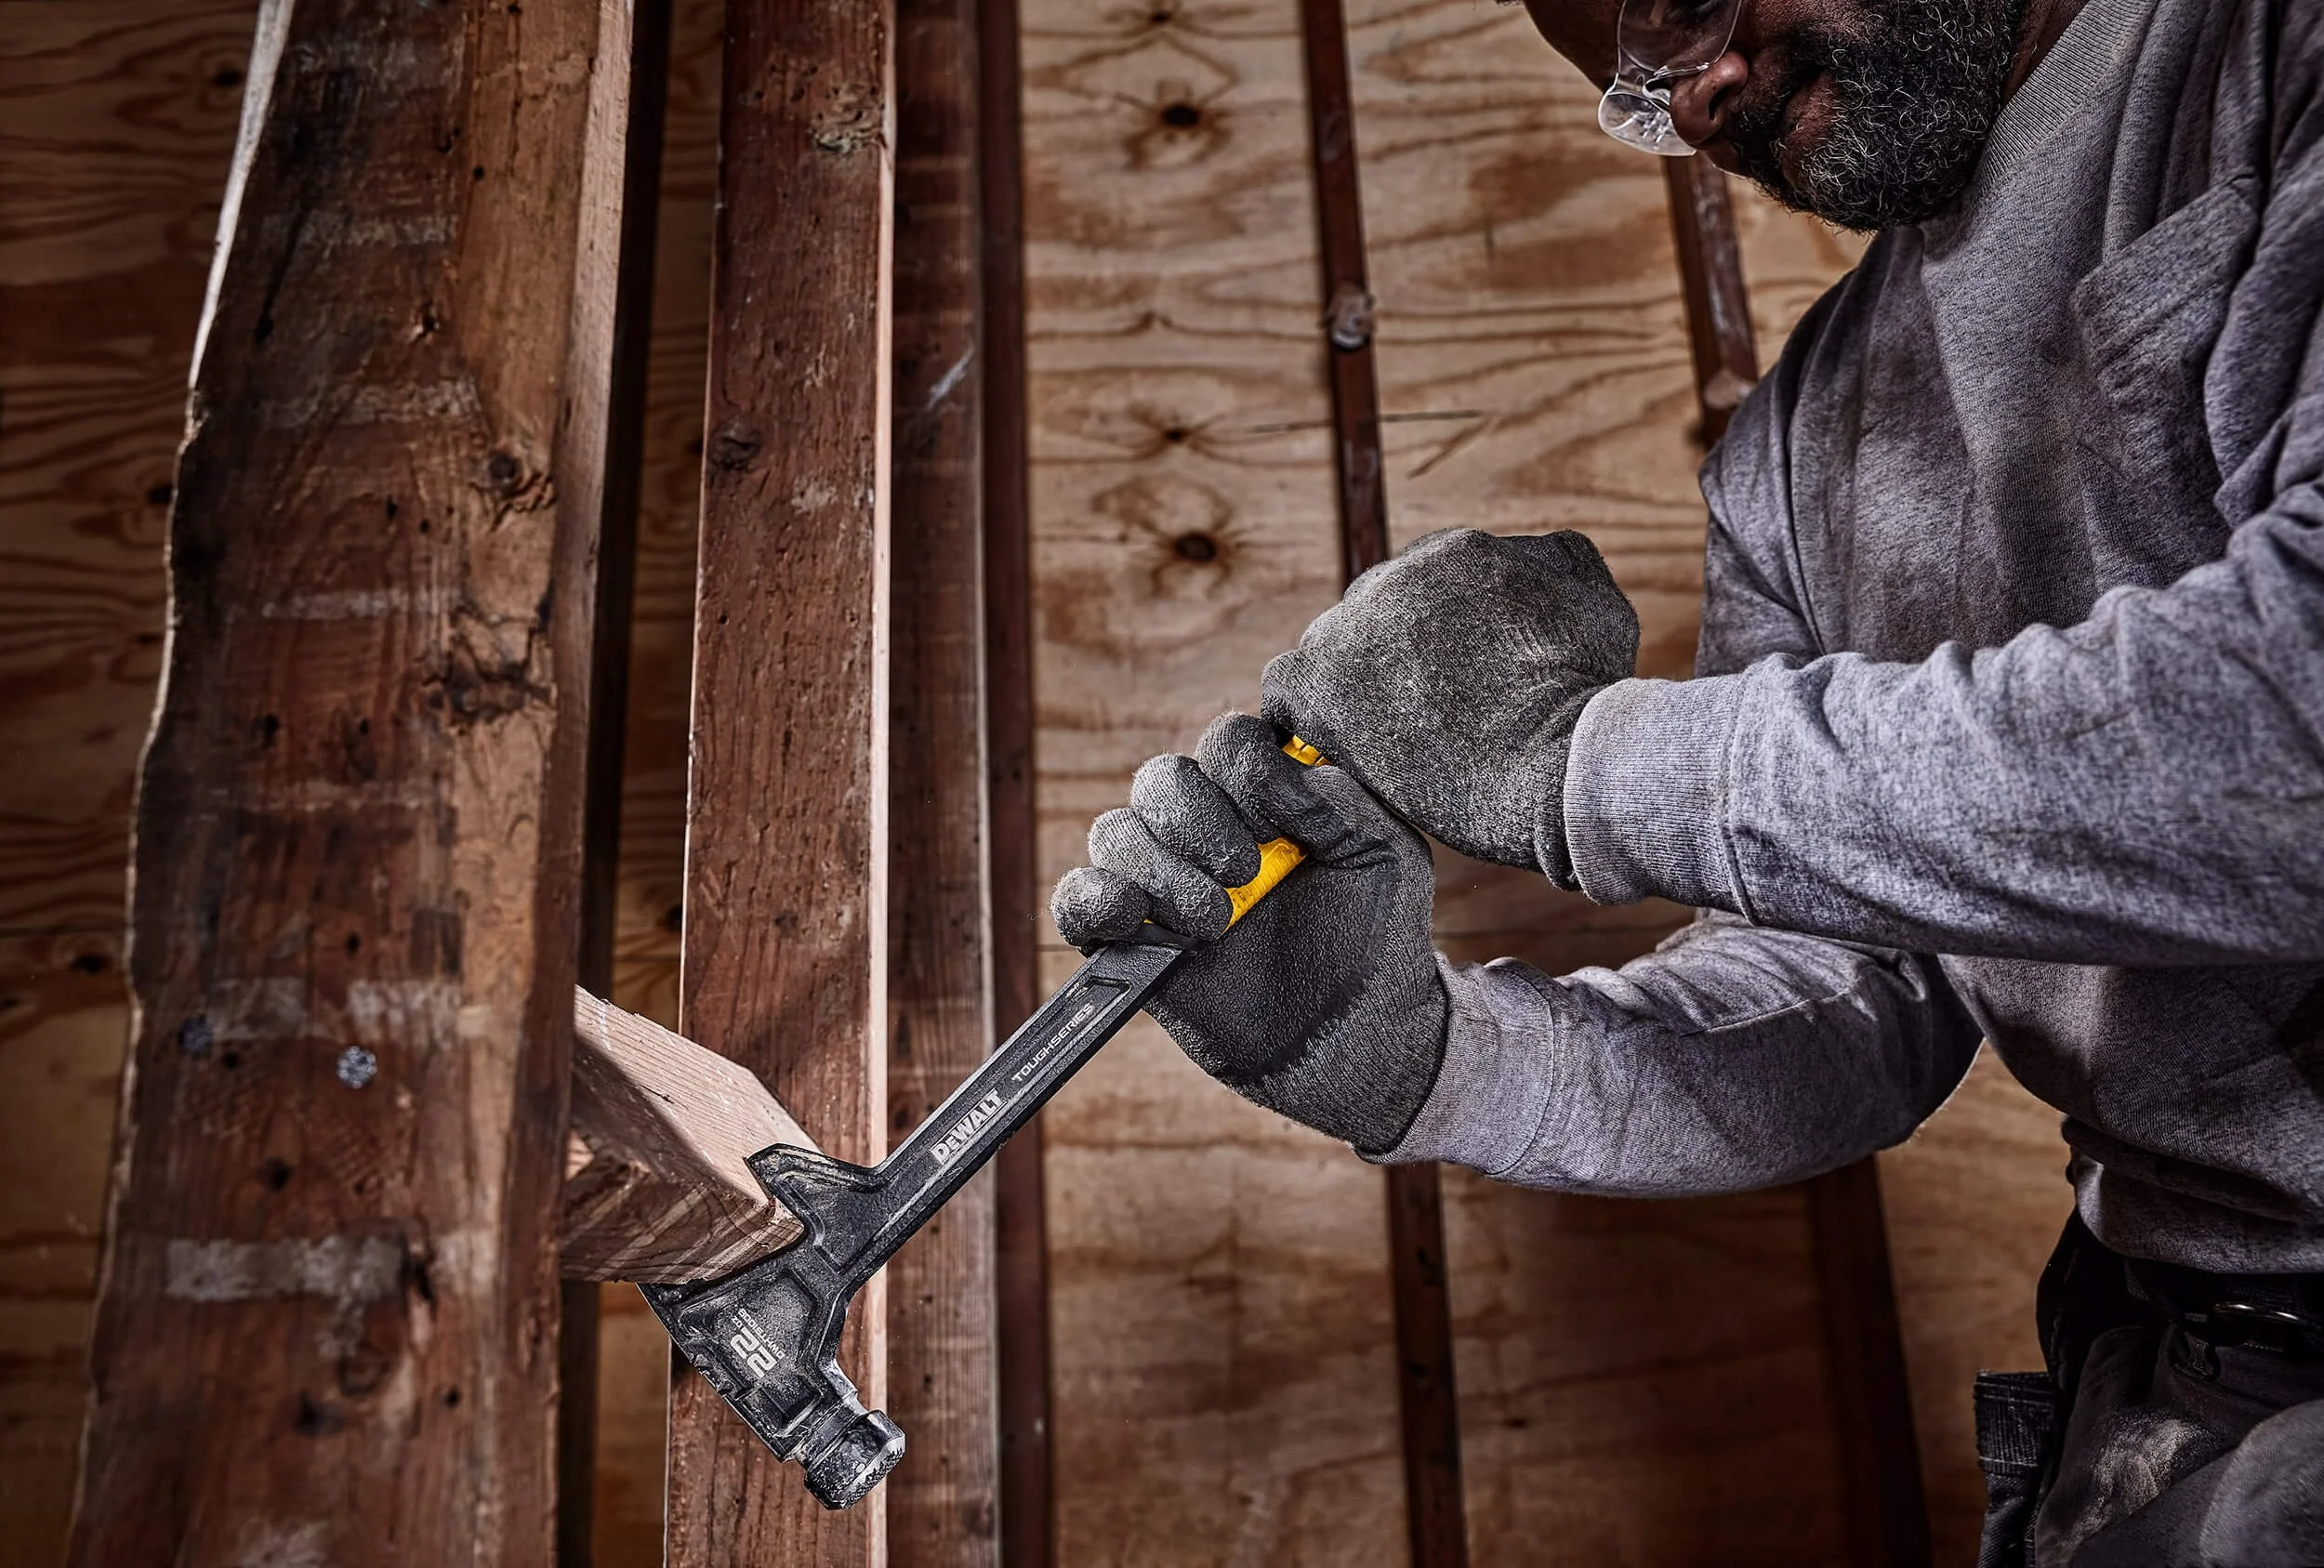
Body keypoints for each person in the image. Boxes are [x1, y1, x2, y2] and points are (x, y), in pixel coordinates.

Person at [1049, 0, 2324, 1559]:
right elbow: (1848, 990)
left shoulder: (2264, 61)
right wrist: (1433, 1056)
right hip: (2178, 1374)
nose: (1701, 91)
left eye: (1688, 6)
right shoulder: (1799, 445)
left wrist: (1580, 766)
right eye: (1639, 83)